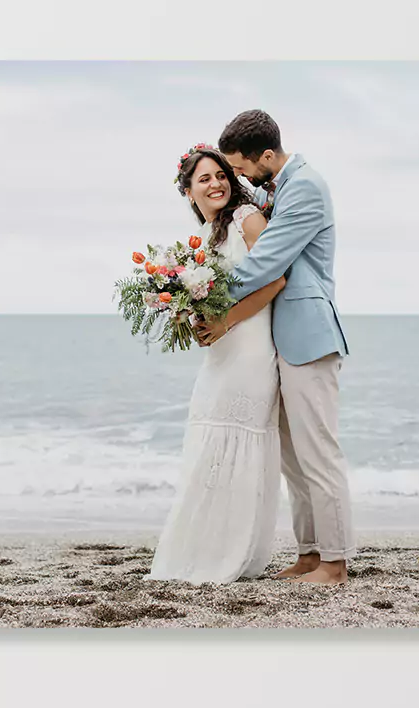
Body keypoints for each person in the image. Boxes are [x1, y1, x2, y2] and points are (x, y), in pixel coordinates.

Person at [202, 109, 354, 585]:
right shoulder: (279, 187)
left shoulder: (305, 186)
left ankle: (335, 561)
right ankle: (310, 554)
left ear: (266, 155)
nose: (240, 176)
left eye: (242, 167)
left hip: (308, 336)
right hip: (280, 340)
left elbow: (267, 260)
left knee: (318, 453)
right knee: (292, 457)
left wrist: (207, 294)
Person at [147, 146, 288, 584]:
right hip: (221, 353)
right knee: (207, 442)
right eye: (204, 179)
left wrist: (225, 320)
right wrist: (190, 314)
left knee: (237, 445)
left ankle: (230, 555)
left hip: (249, 349)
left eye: (221, 175)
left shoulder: (247, 217)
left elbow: (277, 279)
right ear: (189, 192)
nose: (216, 184)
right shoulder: (205, 238)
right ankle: (201, 550)